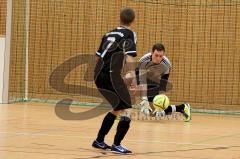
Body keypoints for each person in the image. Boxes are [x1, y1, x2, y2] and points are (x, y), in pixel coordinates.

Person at [92, 7, 137, 154]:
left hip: (98, 74)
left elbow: (98, 57)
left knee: (118, 108)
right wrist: (132, 77)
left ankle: (99, 140)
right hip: (110, 74)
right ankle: (117, 144)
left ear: (120, 18)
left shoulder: (109, 33)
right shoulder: (129, 34)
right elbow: (130, 57)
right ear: (133, 21)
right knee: (128, 110)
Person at [136, 43, 191, 122]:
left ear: (163, 55)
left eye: (161, 56)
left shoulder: (166, 65)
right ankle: (119, 111)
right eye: (156, 55)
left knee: (154, 113)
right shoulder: (144, 60)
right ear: (152, 53)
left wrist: (159, 105)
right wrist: (144, 99)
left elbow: (162, 85)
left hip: (154, 81)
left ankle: (183, 107)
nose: (158, 58)